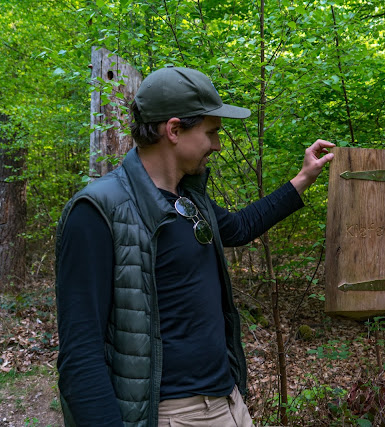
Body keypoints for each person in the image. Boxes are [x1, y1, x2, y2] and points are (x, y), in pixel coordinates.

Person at [55, 65, 334, 426]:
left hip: (228, 402)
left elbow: (237, 227)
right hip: (173, 414)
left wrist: (302, 179)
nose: (217, 145)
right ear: (173, 130)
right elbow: (80, 357)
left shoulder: (189, 197)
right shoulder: (97, 212)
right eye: (211, 132)